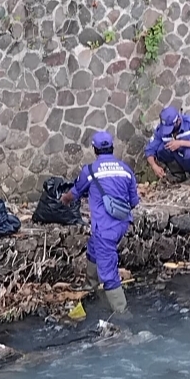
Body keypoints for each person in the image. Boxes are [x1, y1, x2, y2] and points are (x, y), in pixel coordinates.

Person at [61, 131, 140, 313]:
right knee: (93, 248)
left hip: (104, 229)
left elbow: (74, 193)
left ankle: (122, 314)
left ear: (95, 150)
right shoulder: (126, 170)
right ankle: (90, 287)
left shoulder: (90, 171)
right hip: (121, 224)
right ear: (112, 148)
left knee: (108, 272)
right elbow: (134, 202)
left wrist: (64, 200)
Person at [144, 106, 190, 182]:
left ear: (178, 121)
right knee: (162, 149)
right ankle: (178, 175)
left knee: (189, 153)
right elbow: (150, 149)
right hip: (182, 159)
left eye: (170, 128)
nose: (168, 131)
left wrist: (180, 143)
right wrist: (154, 166)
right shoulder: (161, 129)